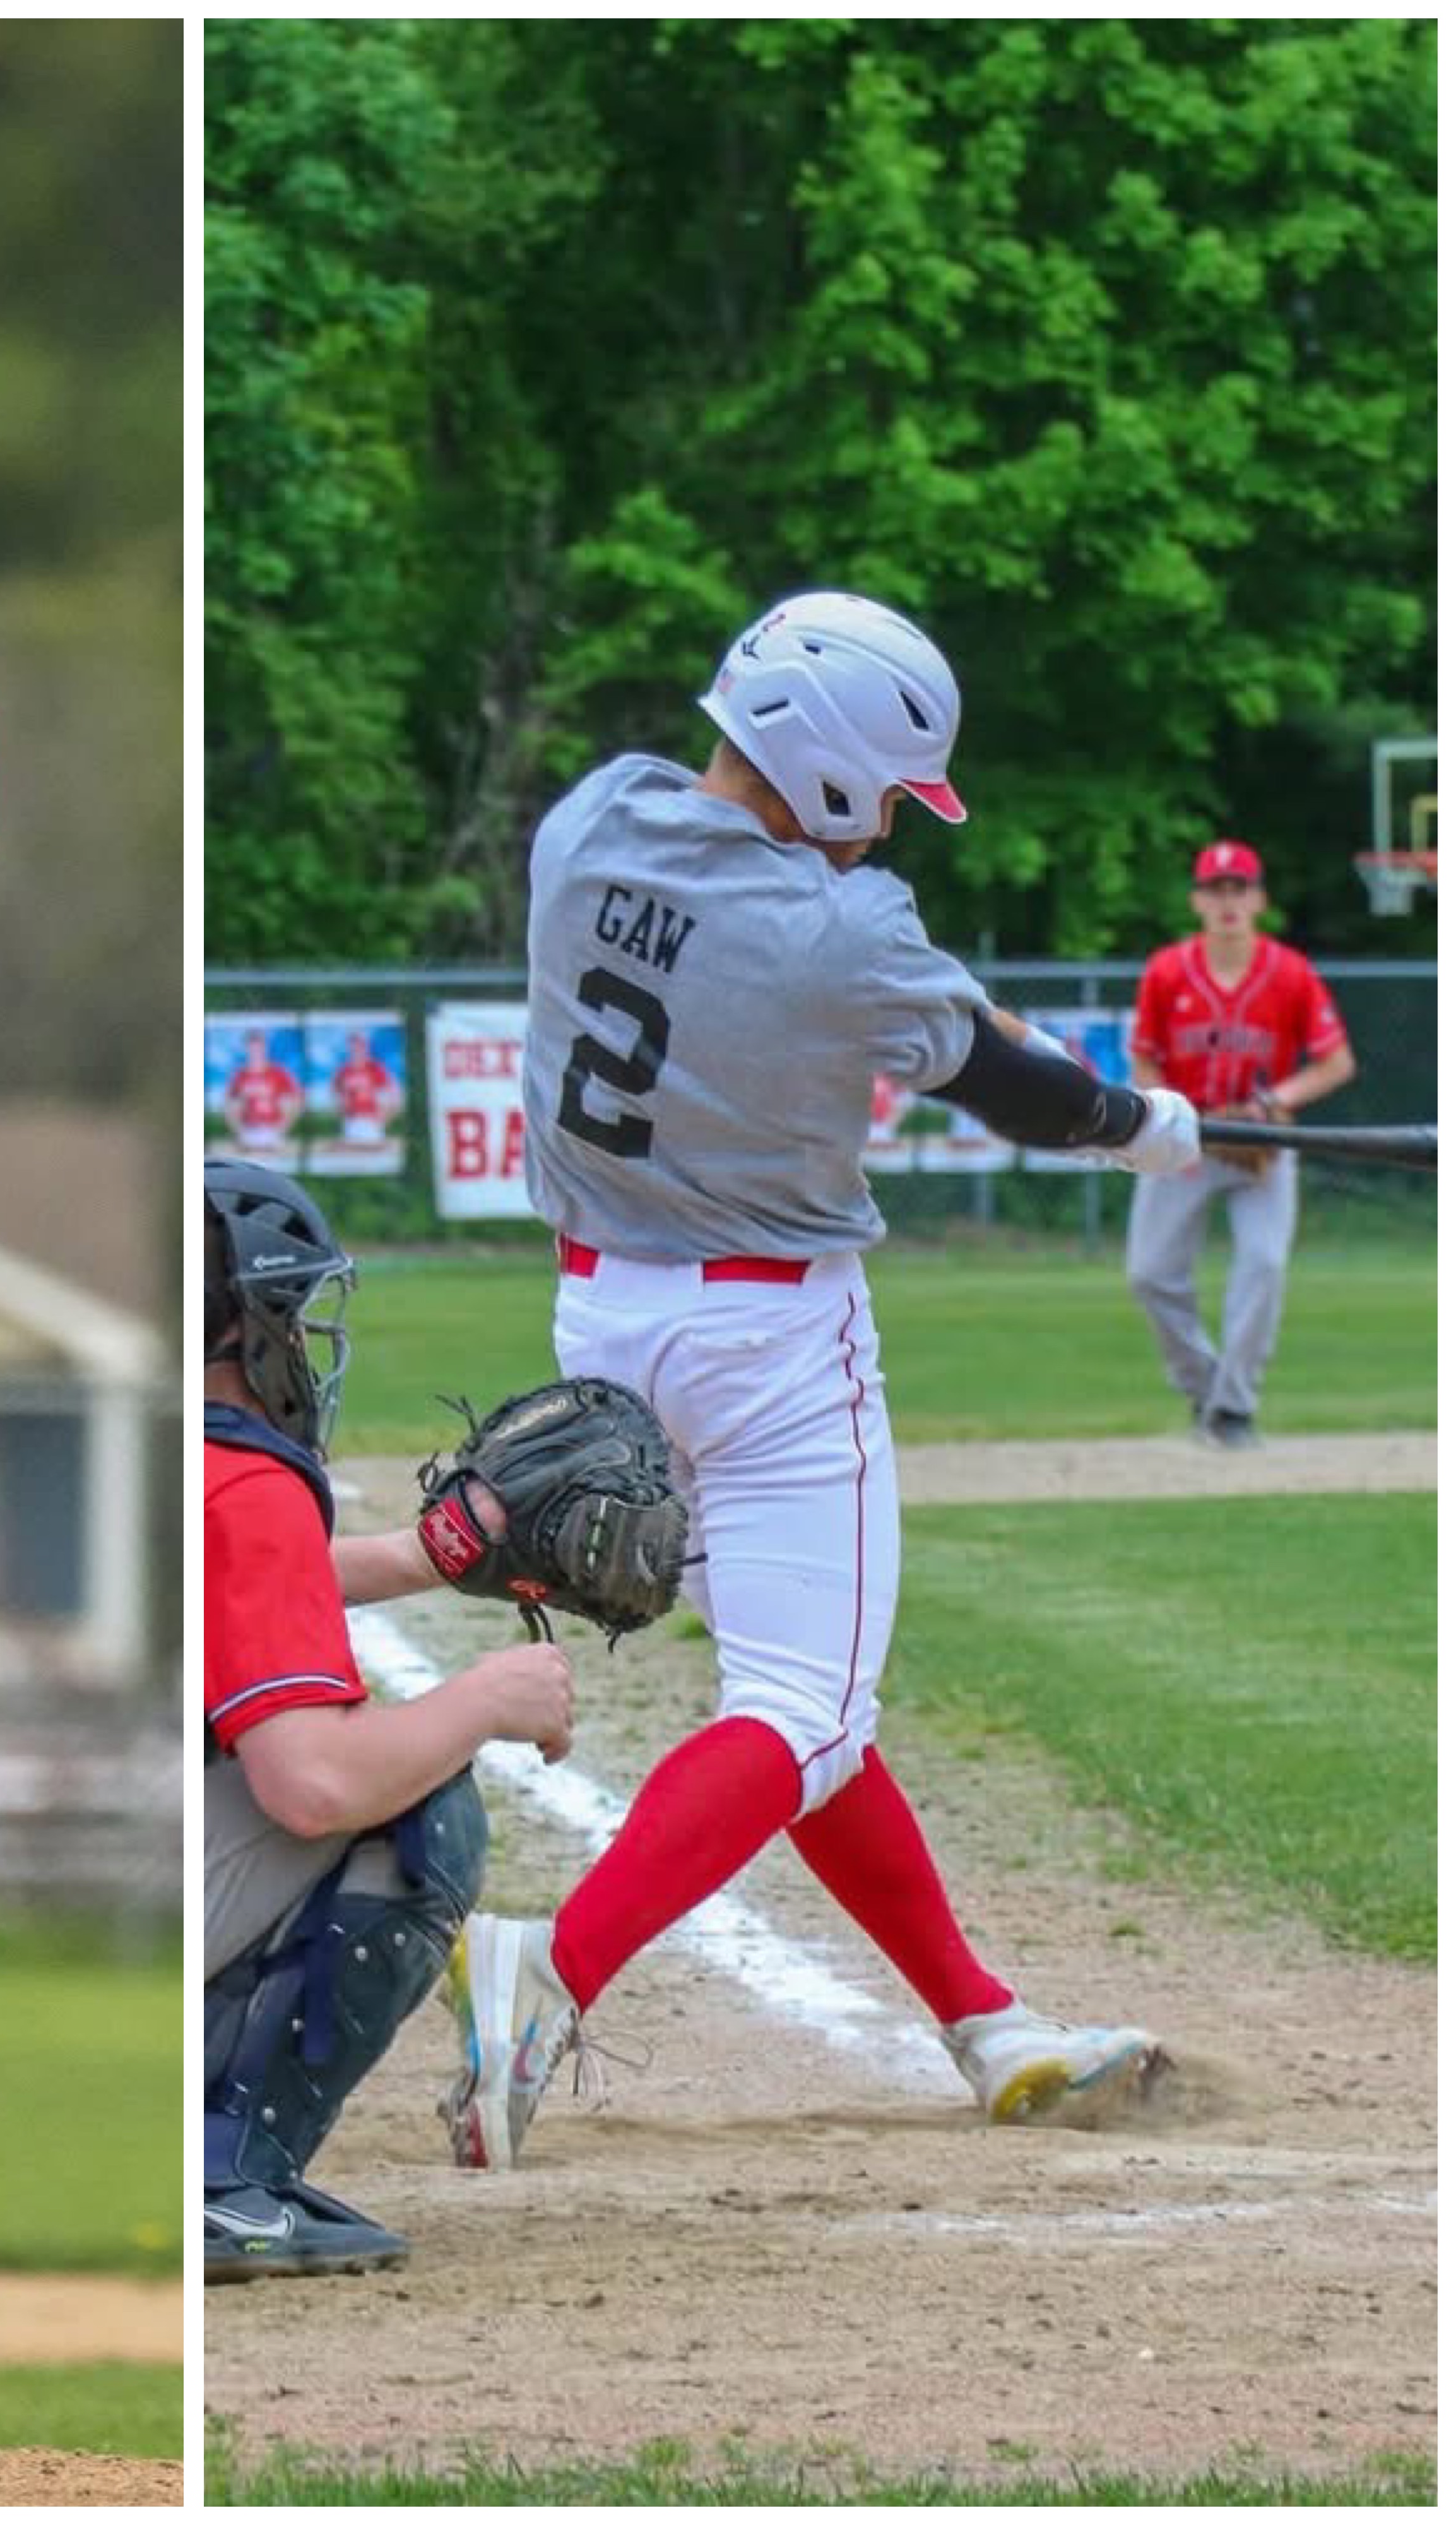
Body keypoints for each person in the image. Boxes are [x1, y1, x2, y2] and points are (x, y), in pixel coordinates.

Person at [447, 590, 1197, 2173]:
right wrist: (1141, 1125)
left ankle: (980, 2019)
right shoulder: (843, 930)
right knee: (796, 1705)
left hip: (601, 1328)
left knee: (809, 1710)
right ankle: (552, 1969)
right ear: (841, 773)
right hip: (772, 1343)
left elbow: (895, 997)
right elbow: (1009, 1086)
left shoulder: (588, 821)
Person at [203, 1157, 575, 2277]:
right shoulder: (248, 1483)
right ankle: (223, 2177)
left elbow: (261, 1571)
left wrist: (430, 1556)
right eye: (290, 1310)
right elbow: (310, 1786)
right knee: (417, 1810)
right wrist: (486, 1698)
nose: (305, 1339)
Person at [1124, 838, 1356, 1449]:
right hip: (1186, 1141)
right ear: (1197, 900)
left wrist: (1277, 1099)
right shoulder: (1167, 971)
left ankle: (1232, 1409)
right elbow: (1143, 1060)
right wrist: (1169, 1117)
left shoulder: (1290, 973)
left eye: (1239, 888)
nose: (1228, 900)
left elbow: (1335, 1062)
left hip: (1262, 1140)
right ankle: (1206, 1384)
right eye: (1215, 889)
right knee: (1149, 1273)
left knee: (1264, 1263)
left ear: (1259, 899)